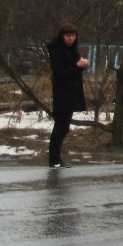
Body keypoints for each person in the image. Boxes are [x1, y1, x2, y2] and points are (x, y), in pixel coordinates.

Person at [46, 23, 88, 168]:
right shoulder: (57, 51)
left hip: (71, 92)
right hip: (62, 92)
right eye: (68, 36)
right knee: (61, 126)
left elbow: (73, 71)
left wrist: (82, 66)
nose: (71, 38)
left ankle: (56, 158)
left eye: (73, 36)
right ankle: (54, 159)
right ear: (62, 36)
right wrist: (77, 66)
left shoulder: (72, 50)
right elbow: (60, 74)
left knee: (63, 127)